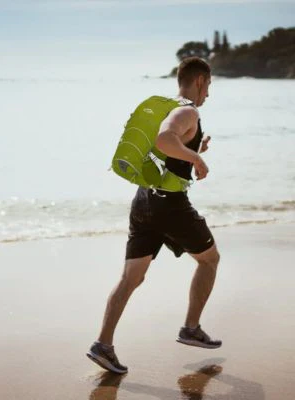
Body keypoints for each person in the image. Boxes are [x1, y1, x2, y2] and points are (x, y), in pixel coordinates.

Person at [86, 57, 222, 374]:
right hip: (170, 205)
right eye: (209, 86)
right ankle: (191, 328)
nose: (208, 93)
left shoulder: (167, 107)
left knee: (131, 278)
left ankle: (102, 344)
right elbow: (164, 139)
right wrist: (197, 160)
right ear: (200, 80)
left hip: (144, 201)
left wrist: (193, 150)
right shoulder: (188, 111)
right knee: (210, 260)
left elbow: (166, 150)